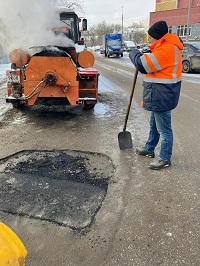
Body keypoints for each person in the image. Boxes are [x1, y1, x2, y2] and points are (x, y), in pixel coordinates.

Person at [129, 20, 183, 170]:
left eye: (152, 37)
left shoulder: (167, 50)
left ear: (159, 37)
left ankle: (165, 158)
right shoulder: (165, 48)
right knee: (154, 124)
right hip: (160, 94)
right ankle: (149, 148)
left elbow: (142, 65)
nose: (150, 40)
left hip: (162, 95)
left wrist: (133, 53)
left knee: (164, 129)